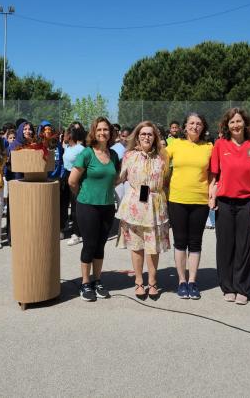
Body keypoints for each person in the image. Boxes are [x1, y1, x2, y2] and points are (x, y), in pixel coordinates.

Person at [209, 108, 250, 305]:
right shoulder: (220, 144)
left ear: (245, 123)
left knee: (244, 246)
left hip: (247, 201)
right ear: (227, 126)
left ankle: (242, 287)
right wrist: (211, 194)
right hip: (224, 201)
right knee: (225, 245)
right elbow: (214, 174)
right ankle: (227, 286)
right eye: (232, 122)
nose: (235, 125)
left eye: (238, 121)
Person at [68, 117, 121, 302]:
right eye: (99, 129)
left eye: (106, 129)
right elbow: (72, 181)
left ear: (110, 132)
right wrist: (83, 197)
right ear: (94, 132)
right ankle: (85, 283)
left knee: (100, 246)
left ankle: (97, 280)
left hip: (107, 207)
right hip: (87, 206)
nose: (103, 133)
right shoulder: (87, 154)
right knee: (89, 245)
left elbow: (113, 180)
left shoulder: (113, 155)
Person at [116, 121, 170, 300]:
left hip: (155, 207)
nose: (147, 137)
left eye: (150, 134)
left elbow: (167, 182)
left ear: (155, 137)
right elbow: (118, 178)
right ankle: (139, 281)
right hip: (134, 207)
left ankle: (153, 281)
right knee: (137, 246)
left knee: (153, 248)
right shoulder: (129, 156)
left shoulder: (162, 157)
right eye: (143, 134)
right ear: (137, 136)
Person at [166, 113, 213, 300]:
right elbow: (157, 160)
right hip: (177, 199)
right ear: (185, 126)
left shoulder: (210, 147)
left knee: (195, 242)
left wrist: (212, 192)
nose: (195, 126)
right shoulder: (173, 144)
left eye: (199, 123)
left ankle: (192, 281)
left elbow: (213, 174)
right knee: (180, 241)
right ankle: (181, 281)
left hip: (200, 201)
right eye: (191, 123)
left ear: (203, 127)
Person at [62, 125, 86, 246]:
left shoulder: (80, 149)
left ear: (70, 135)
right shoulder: (67, 147)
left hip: (76, 178)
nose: (63, 135)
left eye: (65, 133)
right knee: (66, 204)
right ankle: (68, 229)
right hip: (66, 177)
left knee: (76, 207)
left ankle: (77, 234)